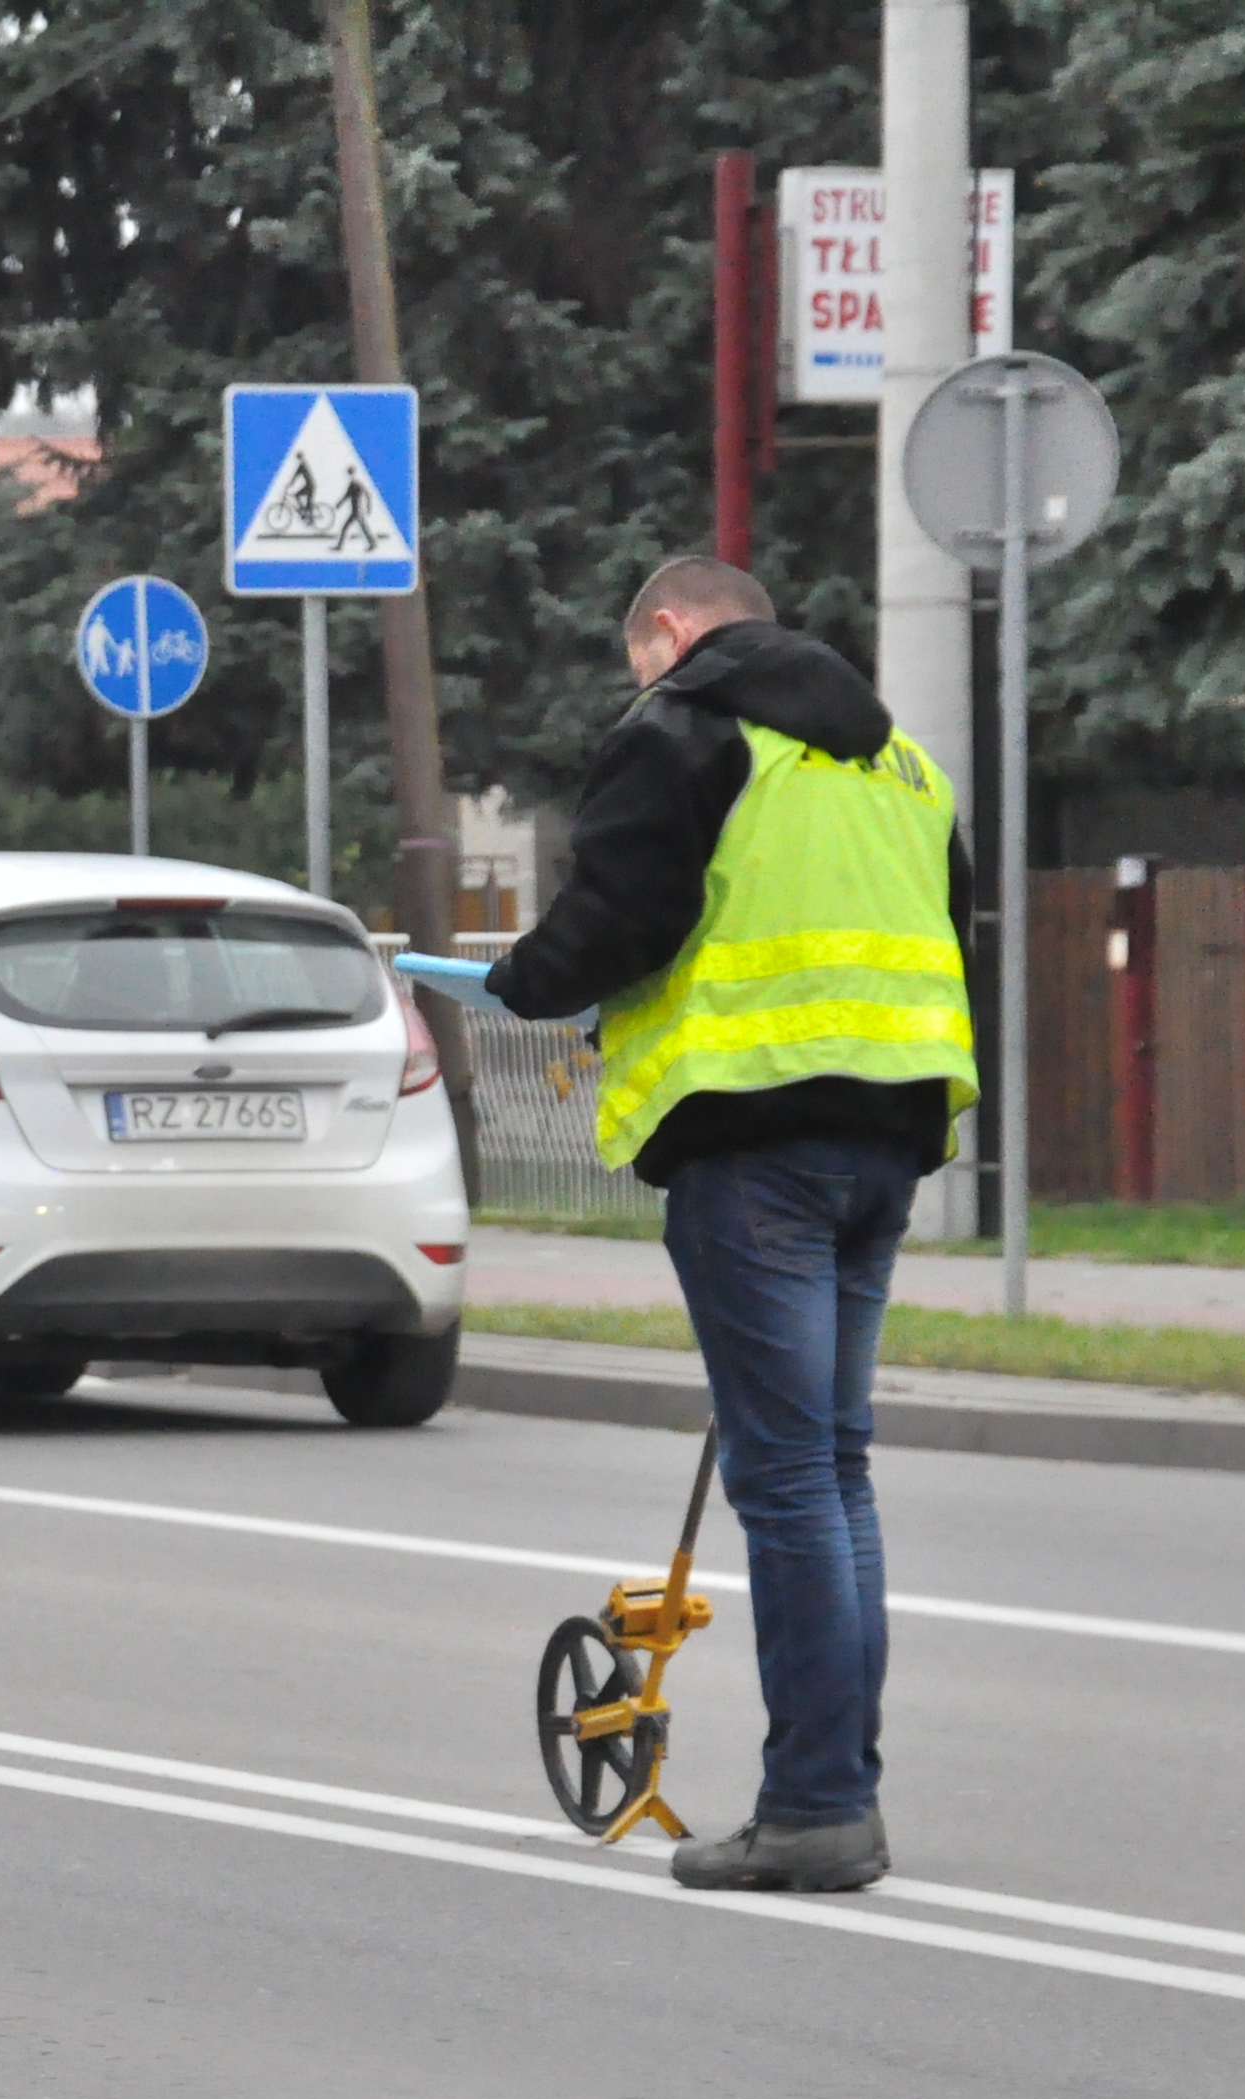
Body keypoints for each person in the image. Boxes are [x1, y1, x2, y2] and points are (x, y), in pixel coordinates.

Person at [480, 556, 976, 1895]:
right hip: (887, 1143)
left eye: (639, 653)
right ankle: (837, 1791)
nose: (639, 679)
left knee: (792, 1482)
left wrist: (516, 980)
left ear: (671, 627)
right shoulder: (906, 767)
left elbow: (619, 919)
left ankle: (817, 1807)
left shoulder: (687, 727)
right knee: (837, 1469)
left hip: (754, 1145)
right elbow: (953, 938)